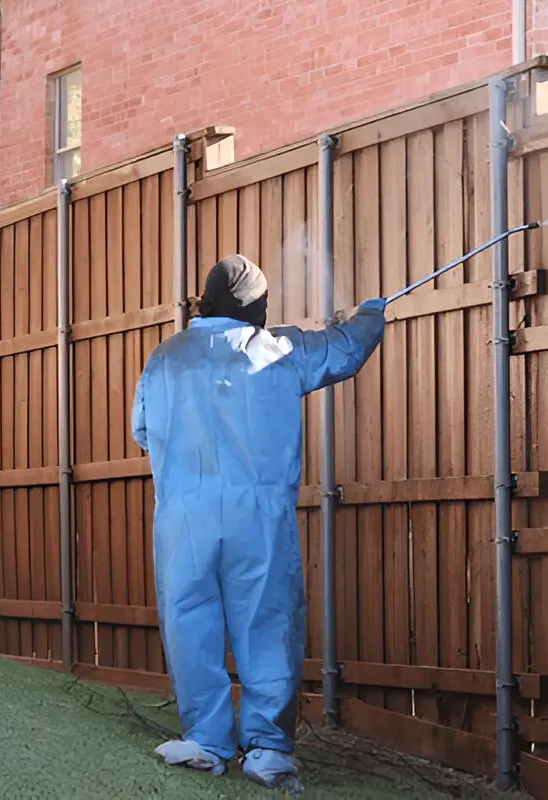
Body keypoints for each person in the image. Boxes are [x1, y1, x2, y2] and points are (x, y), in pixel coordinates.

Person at [131, 254, 386, 794]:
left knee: (189, 618)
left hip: (185, 517)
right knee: (268, 622)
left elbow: (143, 431)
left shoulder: (164, 358)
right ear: (257, 308)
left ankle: (206, 739)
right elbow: (344, 349)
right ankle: (269, 750)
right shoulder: (280, 349)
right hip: (259, 518)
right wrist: (370, 313)